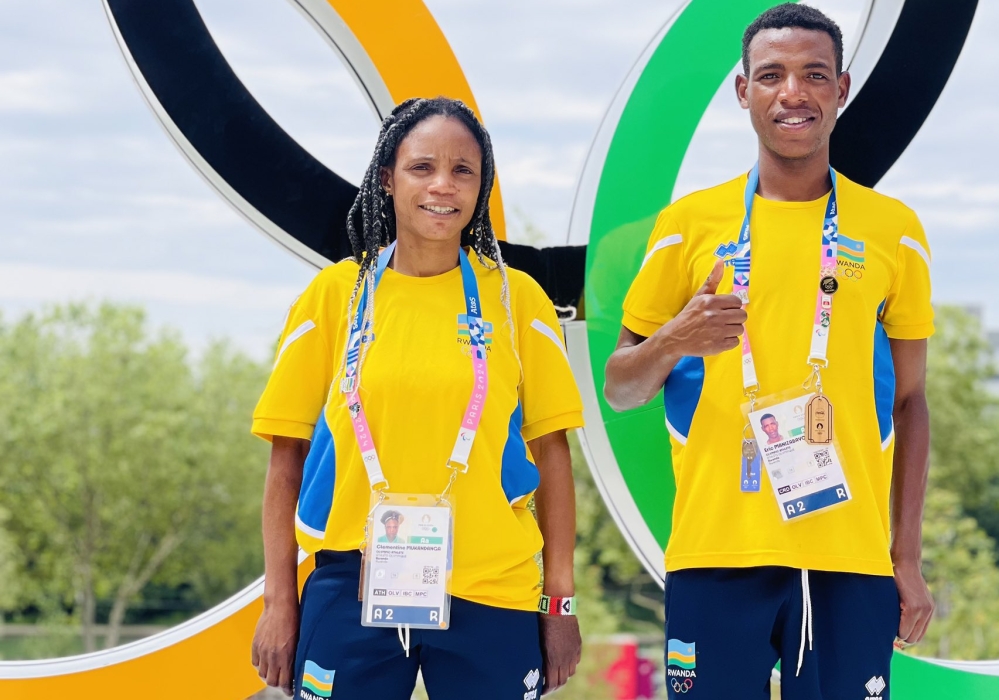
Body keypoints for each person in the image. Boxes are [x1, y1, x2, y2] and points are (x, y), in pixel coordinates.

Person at [604, 5, 935, 699]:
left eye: (814, 75)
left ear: (841, 90)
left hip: (850, 560)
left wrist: (906, 557)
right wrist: (676, 339)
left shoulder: (894, 233)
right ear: (742, 91)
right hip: (716, 555)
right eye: (772, 75)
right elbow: (621, 387)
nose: (793, 92)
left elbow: (910, 402)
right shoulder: (688, 225)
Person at [250, 97, 584, 699]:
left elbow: (553, 457)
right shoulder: (335, 297)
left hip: (493, 589)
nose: (443, 186)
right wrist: (278, 602)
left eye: (463, 171)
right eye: (421, 167)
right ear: (386, 178)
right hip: (353, 585)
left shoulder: (518, 300)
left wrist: (558, 601)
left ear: (481, 188)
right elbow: (285, 459)